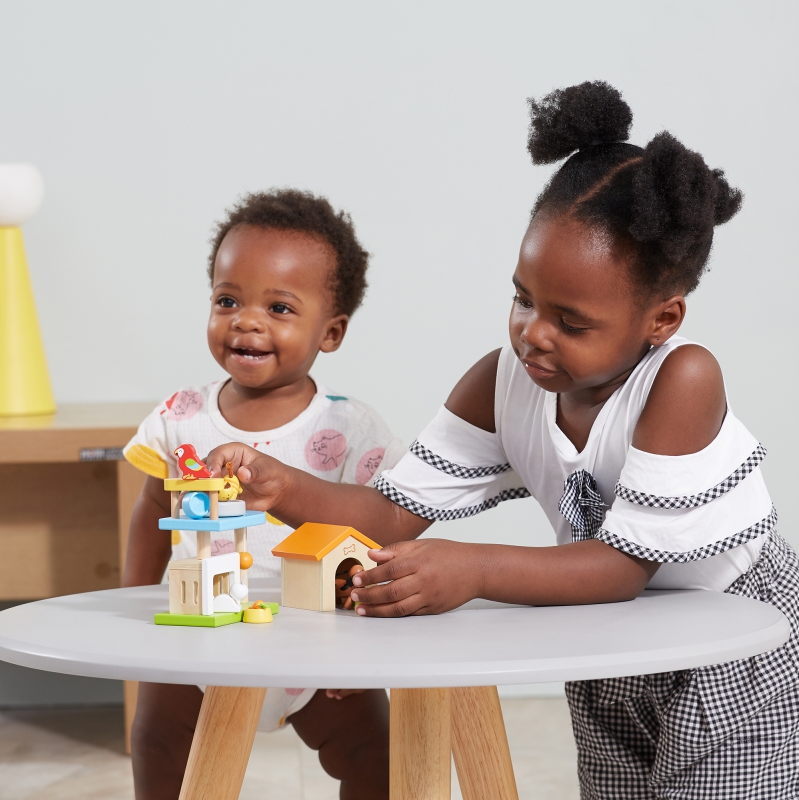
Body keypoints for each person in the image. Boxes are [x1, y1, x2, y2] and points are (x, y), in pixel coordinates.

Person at [205, 83, 799, 798]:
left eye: (571, 323)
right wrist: (280, 484)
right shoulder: (502, 382)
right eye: (522, 298)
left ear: (661, 319)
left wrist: (475, 568)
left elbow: (621, 568)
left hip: (730, 645)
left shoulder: (683, 379)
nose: (532, 334)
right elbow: (389, 514)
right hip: (616, 636)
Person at [122, 189, 403, 800]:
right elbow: (152, 510)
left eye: (279, 307)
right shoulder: (180, 416)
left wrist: (368, 644)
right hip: (197, 632)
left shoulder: (351, 428)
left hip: (318, 645)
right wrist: (133, 603)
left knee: (377, 757)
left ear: (331, 332)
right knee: (157, 746)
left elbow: (378, 534)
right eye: (228, 300)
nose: (246, 321)